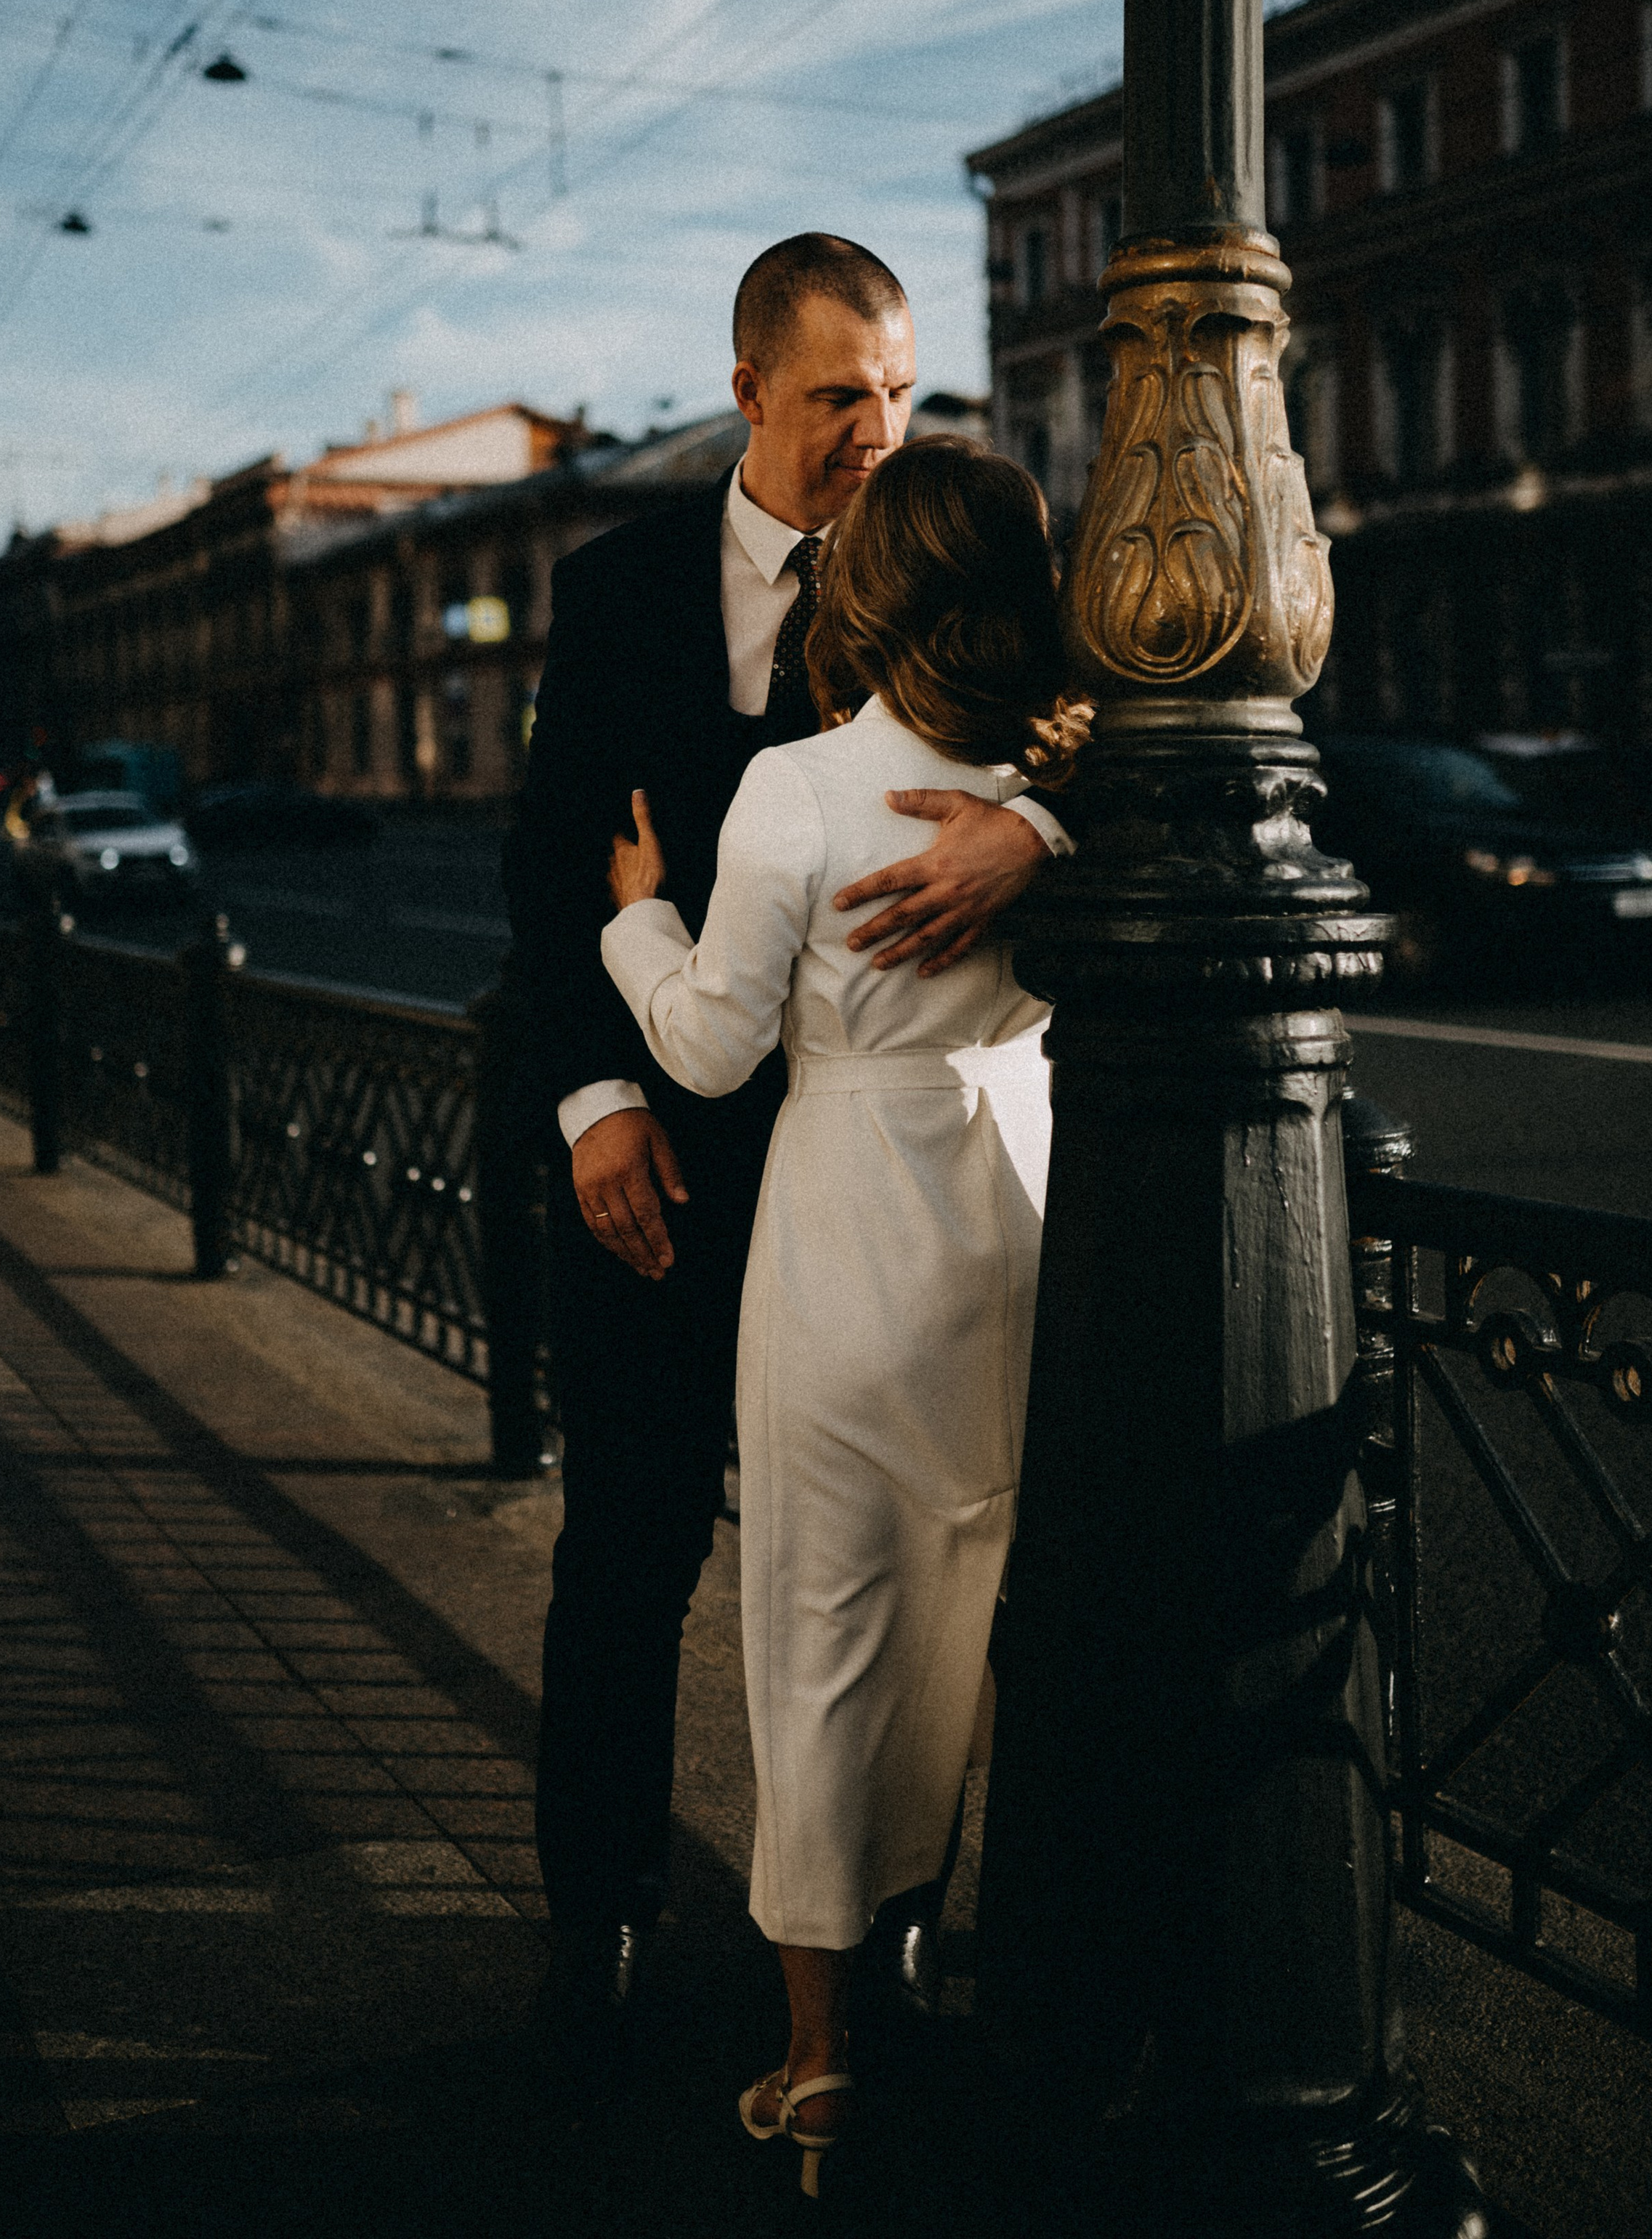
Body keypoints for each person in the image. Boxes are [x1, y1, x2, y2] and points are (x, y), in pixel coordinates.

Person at [501, 236, 1070, 2078]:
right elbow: (558, 874)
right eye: (840, 396)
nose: (877, 431)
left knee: (919, 1580)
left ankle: (882, 1938)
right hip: (661, 1176)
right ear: (747, 390)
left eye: (901, 391)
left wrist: (1034, 834)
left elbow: (1134, 725)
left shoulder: (957, 563)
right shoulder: (617, 586)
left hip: (882, 1208)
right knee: (629, 1559)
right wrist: (593, 1111)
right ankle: (595, 1916)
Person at [599, 439, 1085, 2193]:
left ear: (860, 591)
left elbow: (713, 1047)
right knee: (971, 1616)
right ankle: (935, 1965)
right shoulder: (1052, 783)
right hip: (1016, 1219)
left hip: (845, 1228)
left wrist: (632, 925)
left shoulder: (796, 792)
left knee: (820, 1636)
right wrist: (1037, 824)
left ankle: (813, 2069)